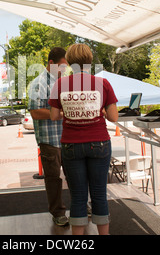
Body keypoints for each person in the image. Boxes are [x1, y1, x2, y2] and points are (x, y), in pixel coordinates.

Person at [48, 44, 118, 235]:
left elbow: (54, 116)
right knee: (99, 195)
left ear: (69, 61)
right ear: (89, 60)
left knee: (78, 197)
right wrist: (99, 110)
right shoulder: (102, 83)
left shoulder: (60, 85)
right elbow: (113, 117)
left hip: (71, 145)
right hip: (100, 143)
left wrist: (71, 111)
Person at [28, 47, 69, 226]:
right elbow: (36, 112)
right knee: (53, 180)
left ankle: (82, 206)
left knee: (76, 176)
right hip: (50, 141)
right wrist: (61, 113)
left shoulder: (65, 82)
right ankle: (58, 213)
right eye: (61, 66)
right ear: (51, 64)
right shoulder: (38, 84)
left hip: (68, 139)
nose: (64, 70)